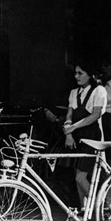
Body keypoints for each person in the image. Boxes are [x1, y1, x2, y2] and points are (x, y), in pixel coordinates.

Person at [63, 60, 107, 209]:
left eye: (80, 73)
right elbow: (69, 114)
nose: (76, 76)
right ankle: (84, 212)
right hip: (76, 138)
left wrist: (73, 127)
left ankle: (99, 208)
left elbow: (95, 115)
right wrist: (69, 133)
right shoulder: (74, 93)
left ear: (90, 74)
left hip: (91, 138)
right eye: (75, 73)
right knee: (77, 180)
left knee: (81, 178)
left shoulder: (99, 90)